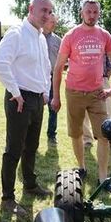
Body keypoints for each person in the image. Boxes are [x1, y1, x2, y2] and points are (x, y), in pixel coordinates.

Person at [51, 0, 111, 193]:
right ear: (82, 13)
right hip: (74, 92)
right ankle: (82, 168)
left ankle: (102, 177)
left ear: (98, 13)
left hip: (97, 94)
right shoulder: (71, 35)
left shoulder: (104, 35)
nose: (91, 15)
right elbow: (58, 67)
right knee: (76, 134)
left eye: (95, 12)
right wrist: (56, 97)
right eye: (88, 12)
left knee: (104, 136)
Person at [0, 0, 53, 216]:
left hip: (37, 100)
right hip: (19, 100)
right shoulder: (16, 33)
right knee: (14, 149)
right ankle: (8, 198)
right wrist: (16, 93)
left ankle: (30, 184)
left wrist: (45, 92)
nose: (46, 15)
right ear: (31, 9)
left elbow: (45, 67)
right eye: (43, 10)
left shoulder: (40, 38)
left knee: (32, 146)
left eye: (49, 11)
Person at [83, 55, 111, 149]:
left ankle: (109, 139)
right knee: (84, 111)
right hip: (85, 79)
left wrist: (105, 79)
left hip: (102, 79)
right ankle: (87, 139)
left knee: (107, 111)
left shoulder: (104, 42)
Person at [43, 14, 62, 146]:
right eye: (52, 22)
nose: (54, 24)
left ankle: (52, 135)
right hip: (38, 78)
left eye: (55, 22)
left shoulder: (58, 41)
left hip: (52, 78)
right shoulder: (36, 37)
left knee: (53, 107)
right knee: (36, 108)